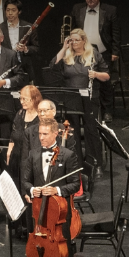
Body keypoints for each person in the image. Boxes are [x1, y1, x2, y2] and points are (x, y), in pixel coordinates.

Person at [22, 118, 84, 257]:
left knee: (63, 254)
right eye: (39, 134)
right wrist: (32, 190)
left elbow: (75, 184)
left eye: (45, 134)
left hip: (60, 214)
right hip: (39, 211)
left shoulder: (67, 155)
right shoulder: (33, 154)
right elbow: (25, 181)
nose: (41, 137)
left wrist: (57, 190)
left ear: (56, 133)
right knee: (40, 248)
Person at [50, 28, 110, 168]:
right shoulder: (67, 55)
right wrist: (64, 48)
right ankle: (77, 164)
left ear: (84, 41)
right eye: (71, 40)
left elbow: (107, 76)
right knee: (73, 131)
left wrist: (96, 74)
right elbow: (53, 66)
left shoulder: (94, 54)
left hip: (90, 97)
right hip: (71, 98)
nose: (74, 43)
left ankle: (94, 163)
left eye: (77, 40)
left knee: (91, 130)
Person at [70, 0, 119, 119]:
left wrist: (115, 51)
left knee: (105, 83)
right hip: (82, 51)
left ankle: (107, 111)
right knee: (82, 79)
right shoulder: (77, 9)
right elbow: (74, 30)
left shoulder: (110, 10)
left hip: (103, 51)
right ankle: (83, 108)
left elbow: (115, 32)